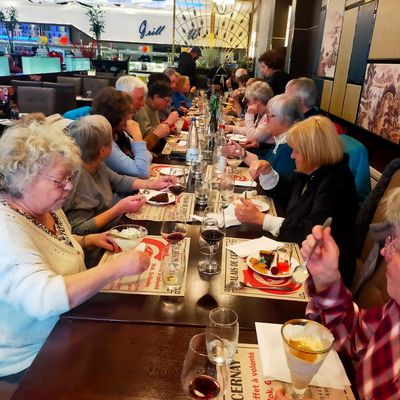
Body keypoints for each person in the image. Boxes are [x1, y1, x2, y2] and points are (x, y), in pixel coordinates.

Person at [0, 120, 150, 396]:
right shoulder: (5, 229)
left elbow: (54, 247)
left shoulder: (46, 206)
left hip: (71, 321)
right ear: (24, 177)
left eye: (70, 178)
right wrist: (116, 268)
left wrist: (85, 240)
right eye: (61, 180)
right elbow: (43, 297)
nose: (69, 188)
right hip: (32, 359)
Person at [274, 188, 400, 400]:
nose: (384, 252)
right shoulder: (395, 308)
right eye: (389, 239)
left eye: (395, 245)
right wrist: (326, 278)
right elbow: (355, 336)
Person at [235, 116, 358, 286]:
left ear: (312, 152)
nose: (292, 156)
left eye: (296, 150)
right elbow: (287, 193)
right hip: (301, 255)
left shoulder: (337, 182)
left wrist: (260, 219)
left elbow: (310, 231)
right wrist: (268, 172)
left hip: (326, 275)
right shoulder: (313, 169)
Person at [63, 115, 175, 235]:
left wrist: (153, 184)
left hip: (111, 228)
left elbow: (119, 181)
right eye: (111, 141)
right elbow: (78, 230)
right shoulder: (77, 178)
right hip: (97, 243)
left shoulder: (96, 163)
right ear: (102, 150)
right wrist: (119, 209)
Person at [237, 93, 303, 179]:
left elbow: (278, 185)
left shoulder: (289, 147)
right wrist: (240, 152)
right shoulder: (282, 140)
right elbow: (264, 161)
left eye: (269, 116)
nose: (266, 120)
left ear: (285, 118)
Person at [91, 87, 152, 179]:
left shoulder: (118, 133)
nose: (131, 117)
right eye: (128, 113)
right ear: (116, 116)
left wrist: (141, 162)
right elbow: (142, 172)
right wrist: (137, 136)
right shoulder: (103, 141)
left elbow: (148, 156)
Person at [134, 80, 180, 155]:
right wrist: (167, 123)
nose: (168, 104)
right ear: (156, 97)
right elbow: (147, 137)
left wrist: (168, 130)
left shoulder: (155, 108)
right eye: (167, 101)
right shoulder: (142, 109)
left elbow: (157, 130)